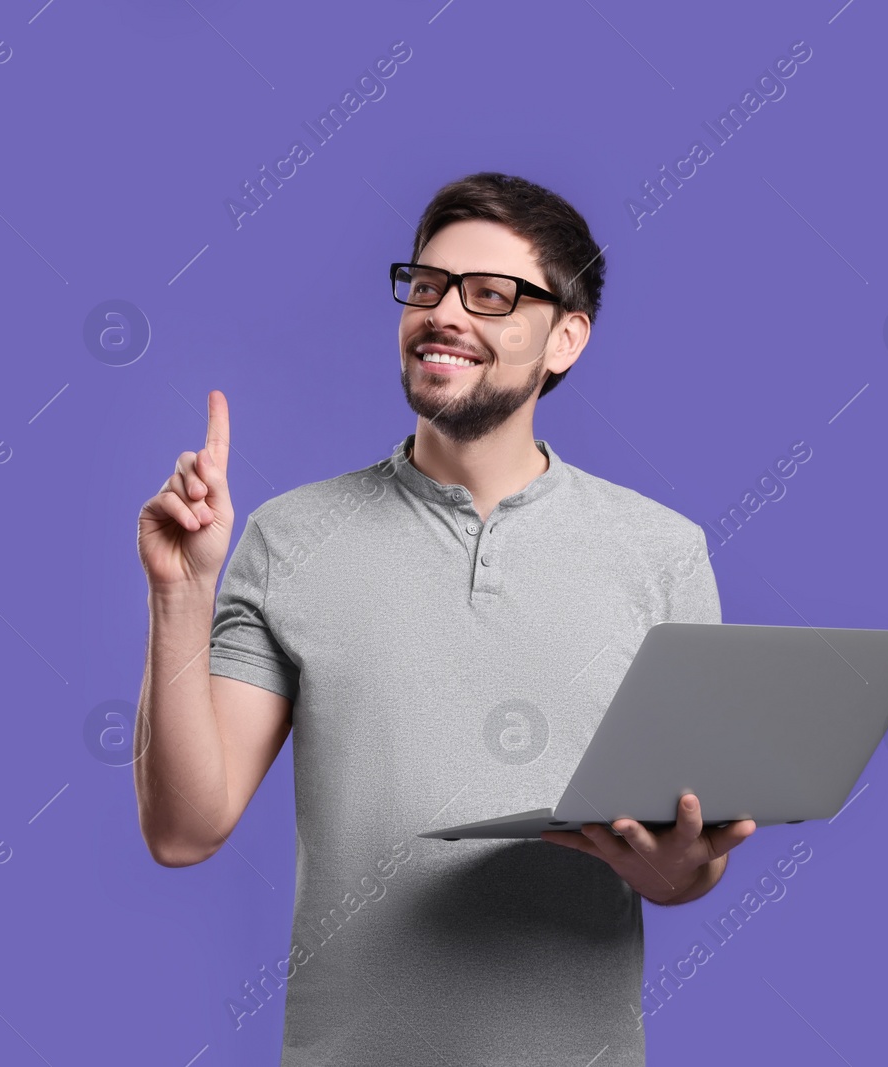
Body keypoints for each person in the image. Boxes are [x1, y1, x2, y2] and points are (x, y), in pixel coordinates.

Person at [134, 171, 756, 1066]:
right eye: (427, 286)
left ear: (565, 339)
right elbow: (183, 829)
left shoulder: (661, 552)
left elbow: (690, 845)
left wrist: (681, 875)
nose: (444, 314)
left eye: (492, 296)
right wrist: (180, 593)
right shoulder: (290, 537)